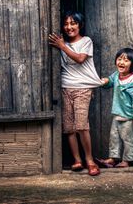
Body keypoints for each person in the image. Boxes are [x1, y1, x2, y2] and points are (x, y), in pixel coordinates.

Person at [48, 11, 102, 176]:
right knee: (69, 128)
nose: (69, 27)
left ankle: (90, 161)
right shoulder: (61, 44)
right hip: (65, 88)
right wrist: (62, 45)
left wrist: (62, 46)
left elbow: (80, 59)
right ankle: (77, 160)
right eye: (66, 24)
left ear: (80, 25)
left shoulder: (86, 41)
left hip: (83, 89)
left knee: (81, 126)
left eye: (73, 23)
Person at [96, 48, 133, 168]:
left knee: (127, 140)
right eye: (119, 59)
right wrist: (105, 81)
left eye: (126, 60)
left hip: (129, 117)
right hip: (117, 114)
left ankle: (126, 161)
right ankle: (113, 158)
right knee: (114, 138)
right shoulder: (116, 75)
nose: (121, 62)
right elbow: (110, 81)